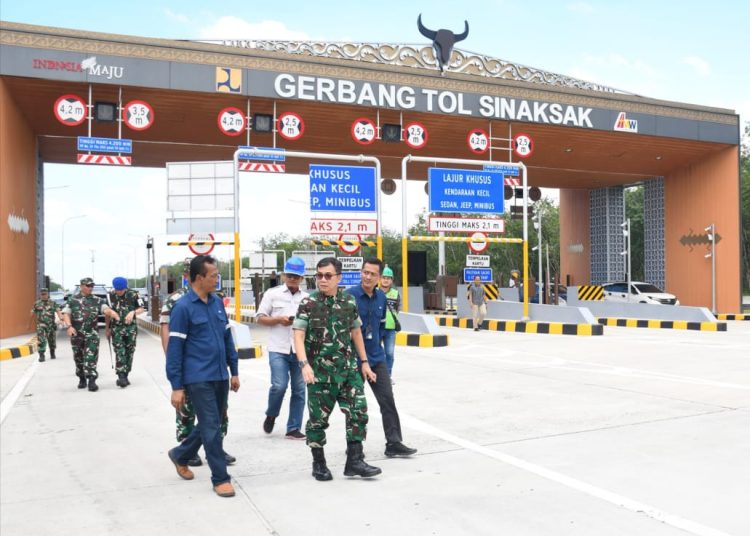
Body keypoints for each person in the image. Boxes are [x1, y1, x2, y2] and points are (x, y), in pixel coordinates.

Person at [293, 257, 381, 481]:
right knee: (317, 420)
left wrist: (364, 362)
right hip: (320, 373)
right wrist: (304, 364)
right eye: (319, 276)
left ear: (338, 278)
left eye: (327, 276)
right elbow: (299, 334)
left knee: (358, 412)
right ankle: (319, 463)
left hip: (348, 370)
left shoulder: (349, 302)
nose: (322, 280)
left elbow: (356, 332)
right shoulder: (308, 303)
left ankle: (354, 461)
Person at [166, 255, 240, 498]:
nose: (216, 279)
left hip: (219, 375)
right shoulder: (183, 308)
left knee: (213, 423)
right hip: (197, 377)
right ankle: (220, 478)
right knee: (211, 428)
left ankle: (180, 454)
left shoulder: (217, 303)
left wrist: (234, 371)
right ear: (199, 278)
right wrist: (177, 386)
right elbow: (175, 350)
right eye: (213, 276)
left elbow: (227, 338)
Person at [348, 258, 417, 459]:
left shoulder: (381, 298)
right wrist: (358, 360)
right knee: (355, 406)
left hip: (377, 359)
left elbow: (378, 328)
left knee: (388, 400)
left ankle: (394, 443)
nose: (368, 277)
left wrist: (375, 353)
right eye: (365, 272)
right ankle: (354, 447)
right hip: (354, 360)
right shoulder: (349, 296)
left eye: (373, 274)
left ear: (379, 278)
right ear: (361, 273)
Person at [257, 256, 308, 439]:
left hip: (299, 350)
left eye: (296, 276)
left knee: (299, 389)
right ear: (284, 275)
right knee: (279, 386)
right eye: (289, 275)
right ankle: (271, 414)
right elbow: (260, 317)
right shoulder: (272, 294)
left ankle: (293, 428)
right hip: (278, 348)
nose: (292, 279)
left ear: (302, 278)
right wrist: (279, 319)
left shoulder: (307, 299)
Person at [62, 277, 120, 391]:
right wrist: (69, 326)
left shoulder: (97, 300)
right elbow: (66, 314)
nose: (90, 288)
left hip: (92, 334)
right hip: (76, 334)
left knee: (91, 357)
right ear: (82, 286)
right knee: (78, 358)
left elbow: (105, 309)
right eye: (88, 286)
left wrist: (114, 314)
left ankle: (92, 379)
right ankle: (81, 377)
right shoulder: (72, 300)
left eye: (92, 286)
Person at [107, 277, 143, 388]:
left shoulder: (135, 294)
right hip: (116, 329)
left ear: (125, 287)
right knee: (120, 351)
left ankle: (126, 374)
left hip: (130, 329)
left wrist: (133, 312)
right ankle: (121, 376)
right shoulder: (110, 296)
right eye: (117, 290)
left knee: (129, 351)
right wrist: (107, 328)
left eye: (121, 290)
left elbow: (142, 308)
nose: (119, 292)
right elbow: (107, 312)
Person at [31, 287, 64, 362]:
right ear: (40, 294)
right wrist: (29, 325)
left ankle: (52, 352)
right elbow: (32, 313)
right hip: (41, 325)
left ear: (47, 294)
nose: (43, 295)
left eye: (45, 294)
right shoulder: (37, 303)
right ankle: (41, 355)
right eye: (42, 294)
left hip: (51, 325)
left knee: (52, 340)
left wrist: (61, 319)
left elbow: (58, 311)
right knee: (41, 340)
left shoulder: (53, 303)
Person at [379, 266, 400, 380]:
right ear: (380, 279)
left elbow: (398, 309)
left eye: (388, 278)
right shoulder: (375, 292)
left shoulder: (396, 294)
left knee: (389, 353)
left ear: (391, 280)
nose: (386, 280)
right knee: (376, 352)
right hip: (377, 327)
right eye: (384, 277)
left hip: (390, 328)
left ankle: (388, 376)